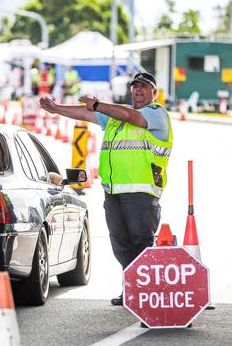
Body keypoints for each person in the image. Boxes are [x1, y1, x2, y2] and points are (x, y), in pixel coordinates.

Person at [39, 72, 173, 308]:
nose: (138, 90)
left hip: (141, 192)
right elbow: (87, 113)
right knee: (121, 244)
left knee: (141, 242)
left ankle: (147, 292)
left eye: (144, 87)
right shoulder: (115, 117)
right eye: (135, 87)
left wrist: (100, 104)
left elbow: (131, 115)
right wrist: (57, 108)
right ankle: (131, 289)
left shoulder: (156, 113)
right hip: (114, 192)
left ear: (153, 92)